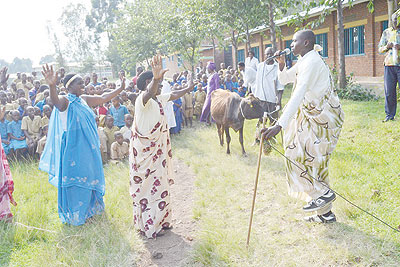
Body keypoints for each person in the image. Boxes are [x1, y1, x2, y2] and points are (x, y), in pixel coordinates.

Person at [262, 30, 344, 223]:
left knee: (303, 157)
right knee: (311, 161)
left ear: (305, 42)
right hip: (313, 118)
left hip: (324, 120)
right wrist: (281, 65)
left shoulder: (312, 62)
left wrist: (279, 125)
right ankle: (325, 213)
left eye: (293, 41)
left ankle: (323, 194)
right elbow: (285, 79)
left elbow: (298, 93)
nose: (290, 45)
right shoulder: (305, 60)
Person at [39, 64, 126, 226]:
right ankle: (77, 215)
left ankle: (91, 211)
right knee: (77, 179)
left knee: (91, 176)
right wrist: (52, 85)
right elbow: (55, 101)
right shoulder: (65, 102)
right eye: (79, 83)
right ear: (69, 86)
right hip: (74, 149)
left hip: (90, 148)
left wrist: (120, 88)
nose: (83, 86)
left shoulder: (84, 99)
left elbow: (102, 98)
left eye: (82, 83)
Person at [129, 55, 194, 238]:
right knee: (147, 191)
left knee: (160, 186)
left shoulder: (158, 99)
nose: (159, 85)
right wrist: (156, 80)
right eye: (155, 81)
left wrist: (189, 86)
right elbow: (150, 92)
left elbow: (173, 95)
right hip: (144, 157)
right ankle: (150, 226)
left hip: (157, 155)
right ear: (148, 83)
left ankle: (162, 221)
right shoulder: (143, 100)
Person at [253, 47, 284, 144]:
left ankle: (272, 140)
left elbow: (280, 86)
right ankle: (257, 140)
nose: (269, 56)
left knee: (273, 121)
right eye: (267, 54)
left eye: (271, 54)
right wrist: (255, 96)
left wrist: (278, 101)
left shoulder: (277, 67)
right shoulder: (260, 66)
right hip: (261, 99)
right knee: (260, 121)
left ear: (274, 55)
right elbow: (257, 82)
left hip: (272, 100)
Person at [378, 13, 400, 122]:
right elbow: (379, 49)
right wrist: (387, 46)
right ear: (392, 20)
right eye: (394, 19)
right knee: (389, 92)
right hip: (389, 66)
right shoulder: (386, 32)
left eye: (398, 19)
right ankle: (389, 116)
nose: (396, 21)